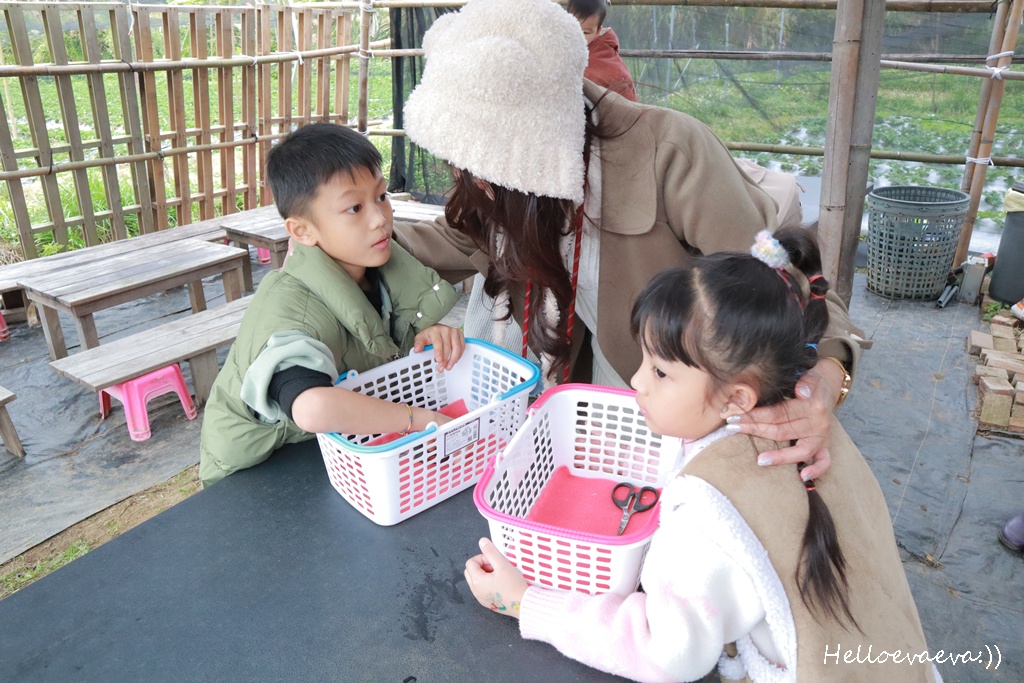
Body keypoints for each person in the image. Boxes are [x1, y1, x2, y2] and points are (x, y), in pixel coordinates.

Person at [392, 0, 866, 478]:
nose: (468, 184)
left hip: (679, 394)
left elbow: (791, 284)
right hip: (596, 384)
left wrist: (827, 377)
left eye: (478, 175)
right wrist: (334, 234)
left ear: (524, 166)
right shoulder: (495, 180)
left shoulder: (672, 157)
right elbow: (448, 238)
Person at [464, 228, 940, 683]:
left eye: (661, 372)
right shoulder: (808, 423)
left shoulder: (706, 516)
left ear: (737, 400)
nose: (636, 382)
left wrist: (527, 602)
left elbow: (668, 652)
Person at [199, 123, 465, 487]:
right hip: (253, 476)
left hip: (323, 451)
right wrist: (417, 419)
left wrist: (423, 335)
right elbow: (312, 408)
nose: (380, 218)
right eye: (354, 207)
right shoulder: (293, 309)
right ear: (303, 231)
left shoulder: (376, 269)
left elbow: (373, 344)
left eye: (382, 196)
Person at [567, 0, 638, 102]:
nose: (578, 36)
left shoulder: (605, 59)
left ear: (597, 32)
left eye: (585, 32)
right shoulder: (561, 47)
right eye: (573, 28)